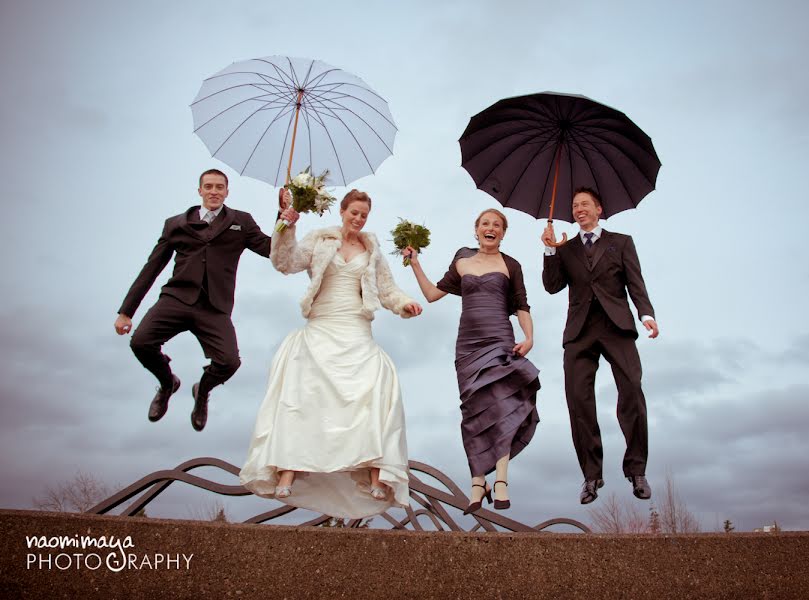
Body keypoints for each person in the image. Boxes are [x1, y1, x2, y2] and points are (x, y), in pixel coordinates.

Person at [239, 189, 423, 519]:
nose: (358, 218)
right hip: (322, 324)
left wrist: (404, 304)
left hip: (356, 327)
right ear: (342, 211)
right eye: (354, 212)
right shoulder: (320, 240)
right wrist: (285, 225)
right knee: (304, 393)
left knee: (373, 389)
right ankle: (288, 470)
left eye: (364, 214)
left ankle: (374, 472)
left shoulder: (373, 248)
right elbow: (284, 262)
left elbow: (386, 289)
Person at [114, 169, 298, 432]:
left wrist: (283, 218)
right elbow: (151, 268)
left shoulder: (241, 222)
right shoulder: (175, 224)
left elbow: (272, 250)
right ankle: (168, 383)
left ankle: (202, 390)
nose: (214, 191)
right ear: (199, 190)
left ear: (227, 192)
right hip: (176, 298)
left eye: (219, 187)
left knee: (230, 362)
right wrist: (126, 311)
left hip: (214, 306)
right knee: (141, 342)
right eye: (209, 187)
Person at [404, 208, 540, 513]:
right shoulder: (462, 260)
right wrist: (415, 263)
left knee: (503, 407)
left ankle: (501, 480)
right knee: (474, 413)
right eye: (485, 224)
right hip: (467, 346)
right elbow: (431, 294)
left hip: (499, 340)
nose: (490, 228)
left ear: (503, 234)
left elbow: (522, 305)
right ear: (476, 229)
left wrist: (529, 337)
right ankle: (478, 481)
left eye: (497, 225)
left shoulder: (511, 265)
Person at [541, 187, 659, 505]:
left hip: (617, 327)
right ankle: (591, 476)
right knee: (579, 401)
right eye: (574, 205)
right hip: (580, 332)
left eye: (584, 204)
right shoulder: (566, 250)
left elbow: (636, 282)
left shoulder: (621, 242)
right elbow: (552, 287)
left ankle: (637, 470)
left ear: (598, 208)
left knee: (632, 390)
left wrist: (645, 314)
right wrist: (551, 251)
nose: (578, 209)